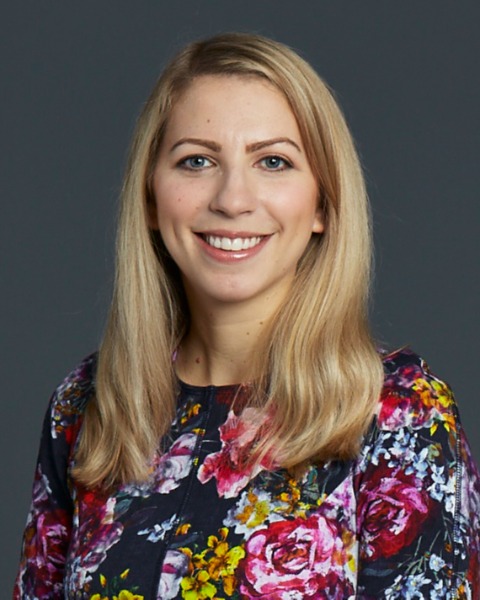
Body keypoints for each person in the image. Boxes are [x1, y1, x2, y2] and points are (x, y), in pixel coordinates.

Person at [14, 32, 479, 600]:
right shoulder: (85, 405)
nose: (233, 199)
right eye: (197, 161)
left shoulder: (398, 412)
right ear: (151, 198)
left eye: (273, 161)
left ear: (322, 204)